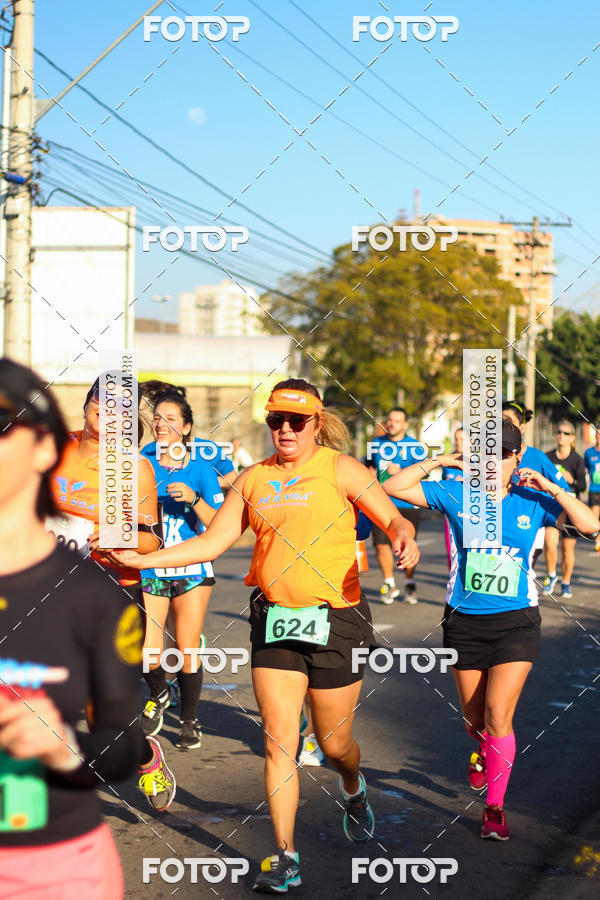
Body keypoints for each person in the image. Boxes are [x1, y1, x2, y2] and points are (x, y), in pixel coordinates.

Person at [111, 377, 419, 892]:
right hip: (275, 620)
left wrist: (404, 537)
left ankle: (352, 784)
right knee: (280, 742)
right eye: (277, 420)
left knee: (334, 743)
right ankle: (285, 856)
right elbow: (211, 542)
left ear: (316, 423)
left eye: (297, 421)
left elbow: (393, 519)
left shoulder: (342, 469)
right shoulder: (254, 477)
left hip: (337, 621)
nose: (286, 429)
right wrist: (143, 560)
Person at [383, 418, 599, 841]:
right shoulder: (457, 492)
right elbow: (393, 487)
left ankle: (494, 808)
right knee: (475, 720)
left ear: (516, 457)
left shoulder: (532, 500)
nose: (490, 462)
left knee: (499, 713)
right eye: (484, 454)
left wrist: (551, 487)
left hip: (516, 622)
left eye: (500, 455)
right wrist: (442, 460)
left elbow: (590, 525)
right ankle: (484, 748)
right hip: (464, 621)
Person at [0, 359, 146, 899]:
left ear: (42, 448)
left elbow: (120, 746)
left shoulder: (92, 598)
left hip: (49, 867)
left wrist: (66, 749)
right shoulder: (66, 457)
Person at [49, 374, 175, 812]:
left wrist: (116, 538)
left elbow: (151, 541)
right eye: (102, 400)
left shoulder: (133, 468)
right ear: (87, 402)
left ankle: (145, 757)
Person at [139, 382, 224, 750]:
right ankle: (160, 693)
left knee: (187, 647)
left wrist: (193, 500)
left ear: (187, 427)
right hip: (151, 565)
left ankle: (190, 721)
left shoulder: (201, 469)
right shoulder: (141, 463)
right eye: (157, 418)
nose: (161, 424)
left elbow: (219, 524)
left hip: (191, 567)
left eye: (170, 418)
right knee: (148, 647)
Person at [502, 401, 569, 569]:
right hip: (497, 520)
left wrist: (542, 503)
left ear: (522, 427)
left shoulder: (537, 456)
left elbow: (563, 487)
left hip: (525, 523)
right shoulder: (489, 455)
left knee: (518, 569)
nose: (503, 424)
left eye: (508, 421)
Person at [368, 408, 422, 604]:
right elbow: (369, 466)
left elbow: (423, 473)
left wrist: (401, 471)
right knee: (381, 544)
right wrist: (370, 474)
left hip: (407, 503)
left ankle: (410, 582)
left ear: (405, 425)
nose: (392, 423)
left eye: (397, 421)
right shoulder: (376, 443)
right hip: (381, 502)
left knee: (406, 546)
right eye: (390, 420)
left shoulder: (414, 446)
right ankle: (389, 583)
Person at [542, 420, 586, 598]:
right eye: (559, 432)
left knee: (567, 550)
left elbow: (582, 486)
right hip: (552, 507)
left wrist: (571, 480)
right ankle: (552, 575)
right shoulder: (548, 457)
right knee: (549, 543)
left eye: (566, 433)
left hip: (571, 510)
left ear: (572, 438)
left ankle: (566, 582)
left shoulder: (577, 459)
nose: (561, 435)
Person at [442, 427, 464, 570]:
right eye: (456, 439)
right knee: (452, 549)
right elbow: (443, 486)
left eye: (462, 439)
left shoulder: (480, 462)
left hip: (472, 512)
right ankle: (453, 576)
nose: (458, 442)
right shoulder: (448, 461)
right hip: (450, 513)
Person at [583, 424, 600, 551]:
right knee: (595, 516)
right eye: (597, 433)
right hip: (594, 489)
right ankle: (598, 542)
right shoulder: (589, 452)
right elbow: (587, 468)